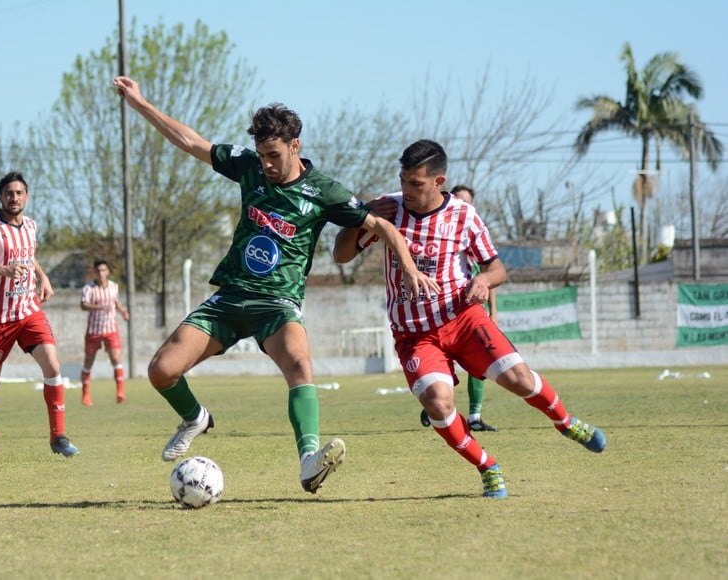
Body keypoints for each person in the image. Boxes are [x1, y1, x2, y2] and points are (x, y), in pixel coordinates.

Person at [113, 76, 439, 494]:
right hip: (230, 298)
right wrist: (141, 103)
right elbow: (191, 141)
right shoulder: (249, 167)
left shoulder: (324, 192)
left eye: (274, 155)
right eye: (262, 154)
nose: (266, 163)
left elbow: (381, 226)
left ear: (295, 145)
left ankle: (309, 461)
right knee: (161, 371)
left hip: (278, 305)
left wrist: (409, 269)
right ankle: (195, 417)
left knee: (300, 365)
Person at [333, 139, 606, 498]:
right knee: (437, 403)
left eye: (415, 183)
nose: (406, 190)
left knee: (519, 379)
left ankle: (566, 423)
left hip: (463, 320)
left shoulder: (463, 215)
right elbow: (341, 255)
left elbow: (497, 268)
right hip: (415, 334)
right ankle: (487, 467)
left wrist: (484, 280)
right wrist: (362, 216)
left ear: (439, 182)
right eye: (403, 180)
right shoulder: (388, 209)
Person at [0, 171, 79, 462]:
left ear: (26, 197)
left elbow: (29, 255)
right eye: (8, 193)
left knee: (52, 365)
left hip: (28, 310)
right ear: (0, 196)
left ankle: (58, 436)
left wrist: (43, 277)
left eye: (19, 193)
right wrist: (1, 270)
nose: (14, 198)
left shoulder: (30, 225)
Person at [417, 185, 497, 432]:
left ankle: (474, 416)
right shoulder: (442, 237)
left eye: (468, 202)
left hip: (470, 314)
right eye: (460, 200)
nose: (464, 205)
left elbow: (489, 274)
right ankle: (435, 402)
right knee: (442, 365)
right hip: (442, 315)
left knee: (481, 362)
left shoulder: (474, 235)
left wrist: (493, 312)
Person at [80, 259, 130, 406]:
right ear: (94, 272)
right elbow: (83, 305)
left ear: (108, 272)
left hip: (110, 330)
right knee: (88, 361)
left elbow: (116, 301)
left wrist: (123, 311)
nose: (101, 273)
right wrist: (99, 307)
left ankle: (120, 392)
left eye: (103, 270)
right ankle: (85, 395)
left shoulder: (114, 286)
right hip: (93, 330)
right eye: (98, 271)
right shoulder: (88, 288)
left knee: (116, 358)